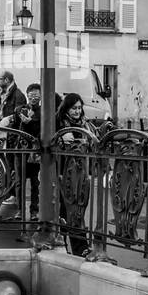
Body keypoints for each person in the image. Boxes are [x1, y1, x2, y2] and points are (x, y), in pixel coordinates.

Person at [56, 93, 96, 255]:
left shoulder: (86, 124)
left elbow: (95, 142)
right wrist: (60, 137)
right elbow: (44, 140)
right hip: (61, 172)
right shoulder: (57, 122)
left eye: (79, 108)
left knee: (76, 210)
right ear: (66, 108)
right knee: (67, 210)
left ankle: (77, 246)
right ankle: (76, 246)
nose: (77, 111)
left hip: (80, 174)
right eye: (74, 108)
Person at [15, 82, 42, 219]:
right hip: (21, 150)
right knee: (19, 181)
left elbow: (41, 131)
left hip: (35, 151)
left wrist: (30, 122)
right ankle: (20, 210)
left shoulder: (43, 112)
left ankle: (34, 211)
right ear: (27, 95)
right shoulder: (19, 109)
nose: (33, 99)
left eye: (36, 96)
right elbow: (14, 129)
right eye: (31, 96)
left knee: (35, 183)